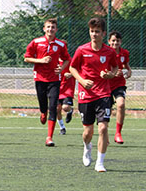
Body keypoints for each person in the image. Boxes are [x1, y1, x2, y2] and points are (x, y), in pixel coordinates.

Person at [69, 17, 121, 172]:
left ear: (103, 33)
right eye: (92, 31)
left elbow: (115, 68)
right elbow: (72, 68)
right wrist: (82, 81)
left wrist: (110, 75)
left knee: (103, 128)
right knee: (87, 132)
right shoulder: (81, 50)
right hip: (86, 95)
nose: (94, 34)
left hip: (103, 94)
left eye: (97, 32)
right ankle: (87, 146)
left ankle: (100, 162)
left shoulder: (109, 52)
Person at [24, 17, 70, 147]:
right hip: (40, 78)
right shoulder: (36, 42)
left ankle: (49, 137)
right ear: (44, 28)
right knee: (44, 106)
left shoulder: (60, 45)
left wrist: (61, 68)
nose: (50, 29)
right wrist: (41, 60)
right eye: (48, 27)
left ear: (56, 29)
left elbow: (67, 59)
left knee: (53, 107)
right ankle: (43, 112)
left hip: (54, 79)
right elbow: (27, 58)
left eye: (53, 27)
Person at [107, 30, 131, 145]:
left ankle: (118, 133)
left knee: (121, 104)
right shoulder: (105, 52)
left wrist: (129, 71)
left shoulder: (124, 53)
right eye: (113, 40)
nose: (115, 43)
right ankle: (104, 134)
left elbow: (126, 65)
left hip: (119, 84)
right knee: (106, 110)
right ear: (109, 41)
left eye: (117, 40)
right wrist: (112, 73)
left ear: (120, 42)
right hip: (106, 84)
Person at [57, 70, 75, 135]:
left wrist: (71, 74)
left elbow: (79, 71)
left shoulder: (70, 61)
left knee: (65, 107)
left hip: (68, 89)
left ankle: (70, 111)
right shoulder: (54, 61)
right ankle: (62, 128)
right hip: (56, 88)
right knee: (57, 110)